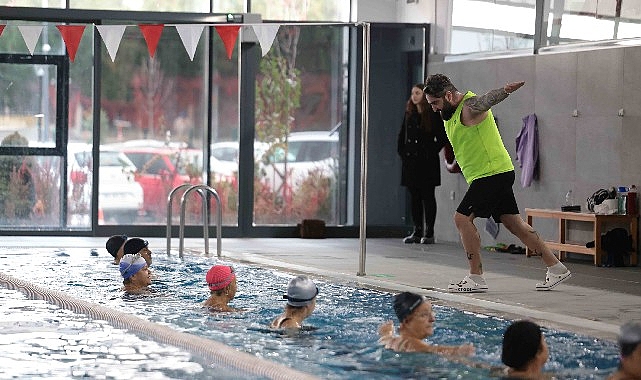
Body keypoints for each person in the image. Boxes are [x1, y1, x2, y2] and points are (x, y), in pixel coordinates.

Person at [422, 74, 571, 292]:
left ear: (448, 95)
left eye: (435, 103)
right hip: (494, 173)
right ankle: (556, 268)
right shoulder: (449, 114)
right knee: (513, 223)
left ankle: (476, 277)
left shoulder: (469, 106)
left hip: (490, 174)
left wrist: (505, 90)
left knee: (462, 218)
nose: (433, 108)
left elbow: (486, 100)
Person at [397, 83, 448, 244]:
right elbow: (402, 135)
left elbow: (442, 137)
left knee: (428, 196)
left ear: (424, 96)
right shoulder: (409, 113)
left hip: (427, 163)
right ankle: (417, 230)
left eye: (417, 93)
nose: (414, 96)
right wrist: (403, 153)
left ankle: (429, 232)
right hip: (411, 162)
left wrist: (430, 151)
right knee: (414, 197)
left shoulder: (432, 114)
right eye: (413, 93)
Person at [378, 291, 474, 356]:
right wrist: (457, 351)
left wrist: (387, 333)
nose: (432, 319)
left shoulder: (392, 341)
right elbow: (432, 350)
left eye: (431, 313)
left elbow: (385, 338)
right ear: (406, 322)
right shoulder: (412, 344)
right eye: (424, 315)